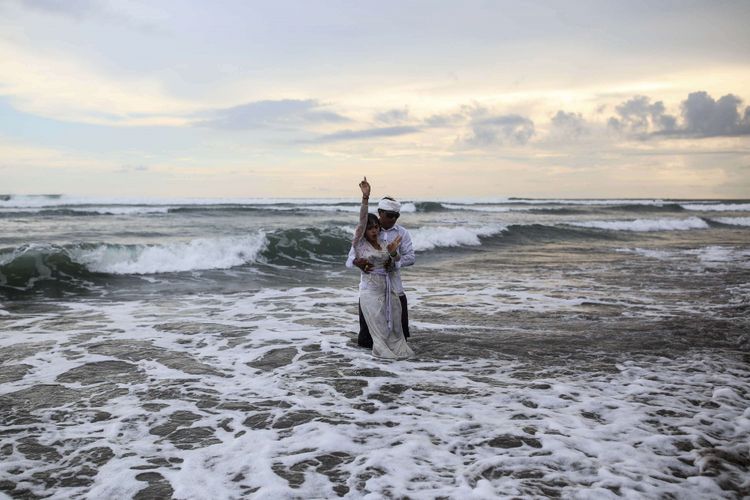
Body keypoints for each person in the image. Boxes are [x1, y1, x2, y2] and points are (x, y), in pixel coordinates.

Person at [350, 177, 414, 359]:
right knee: (366, 340)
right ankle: (367, 373)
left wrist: (394, 261)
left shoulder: (402, 233)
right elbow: (352, 255)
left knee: (399, 333)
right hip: (371, 291)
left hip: (394, 289)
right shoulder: (364, 236)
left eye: (396, 216)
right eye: (389, 216)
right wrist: (358, 262)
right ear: (380, 213)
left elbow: (410, 258)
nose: (393, 219)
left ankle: (397, 374)